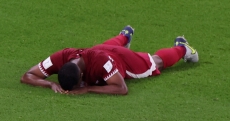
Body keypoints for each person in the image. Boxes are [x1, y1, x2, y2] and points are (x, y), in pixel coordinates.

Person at [20, 26, 198, 95]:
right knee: (100, 47)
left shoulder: (102, 63)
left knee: (154, 62)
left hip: (120, 60)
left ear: (82, 74)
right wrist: (49, 85)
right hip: (101, 51)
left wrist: (88, 88)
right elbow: (27, 75)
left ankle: (183, 48)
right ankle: (124, 36)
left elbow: (122, 88)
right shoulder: (61, 57)